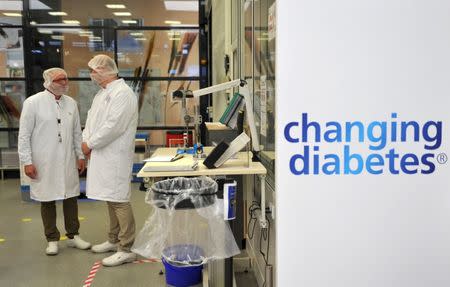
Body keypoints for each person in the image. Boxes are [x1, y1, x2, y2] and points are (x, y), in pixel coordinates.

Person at [18, 68, 91, 255]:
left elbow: (77, 133)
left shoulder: (71, 104)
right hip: (43, 160)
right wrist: (27, 161)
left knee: (71, 197)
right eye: (60, 80)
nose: (65, 83)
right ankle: (51, 238)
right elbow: (24, 135)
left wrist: (80, 156)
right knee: (47, 198)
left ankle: (73, 236)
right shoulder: (33, 103)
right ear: (48, 82)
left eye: (66, 80)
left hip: (67, 159)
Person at [82, 55, 138, 267]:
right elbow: (90, 120)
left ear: (107, 70)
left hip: (115, 154)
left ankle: (126, 248)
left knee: (119, 199)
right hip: (100, 152)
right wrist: (85, 141)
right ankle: (113, 239)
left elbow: (114, 126)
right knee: (109, 197)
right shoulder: (102, 94)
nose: (92, 75)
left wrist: (91, 143)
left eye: (94, 70)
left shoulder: (123, 94)